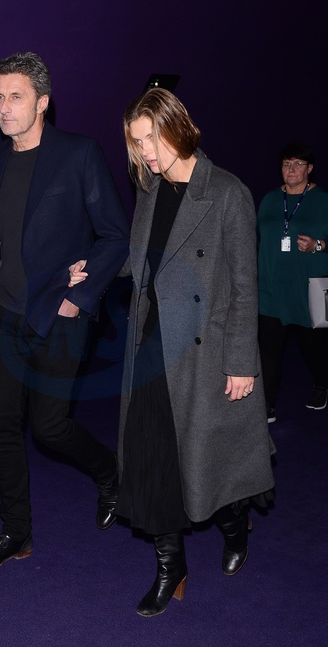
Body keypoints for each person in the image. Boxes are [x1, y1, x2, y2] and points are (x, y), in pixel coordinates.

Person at [71, 88, 275, 617]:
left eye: (151, 139)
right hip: (150, 349)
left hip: (203, 355)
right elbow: (141, 260)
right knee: (151, 459)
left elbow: (244, 288)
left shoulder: (226, 192)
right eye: (136, 143)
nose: (145, 153)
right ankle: (170, 567)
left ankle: (235, 524)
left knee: (208, 465)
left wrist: (241, 362)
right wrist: (93, 267)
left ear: (178, 128)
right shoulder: (150, 189)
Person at [0, 52, 129, 572]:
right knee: (1, 424)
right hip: (3, 316)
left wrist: (79, 298)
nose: (4, 108)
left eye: (16, 97)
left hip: (59, 315)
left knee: (50, 429)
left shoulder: (79, 154)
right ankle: (16, 532)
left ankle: (110, 471)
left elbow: (115, 236)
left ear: (43, 102)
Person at [257, 143, 328, 423]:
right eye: (287, 164)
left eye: (298, 164)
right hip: (271, 289)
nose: (291, 169)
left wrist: (318, 245)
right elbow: (256, 239)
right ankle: (267, 404)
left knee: (314, 347)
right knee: (269, 349)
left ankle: (322, 384)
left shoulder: (323, 200)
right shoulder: (269, 200)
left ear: (310, 168)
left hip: (307, 290)